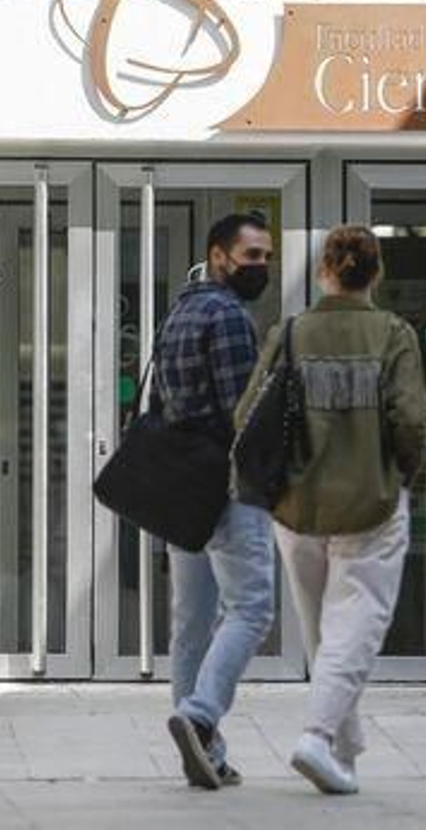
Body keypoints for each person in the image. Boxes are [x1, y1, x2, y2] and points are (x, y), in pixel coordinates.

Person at [236, 225, 426, 795]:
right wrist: (401, 473)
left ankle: (343, 750)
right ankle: (319, 737)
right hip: (371, 502)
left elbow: (247, 413)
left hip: (295, 507)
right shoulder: (393, 334)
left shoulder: (291, 333)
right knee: (356, 625)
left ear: (324, 269)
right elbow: (412, 421)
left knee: (325, 630)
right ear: (376, 273)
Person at [158, 212, 276, 790]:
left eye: (266, 257)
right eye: (252, 256)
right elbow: (243, 412)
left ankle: (205, 749)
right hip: (228, 483)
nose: (262, 267)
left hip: (181, 484)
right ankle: (200, 717)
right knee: (252, 607)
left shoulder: (180, 310)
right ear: (219, 255)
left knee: (192, 622)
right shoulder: (230, 316)